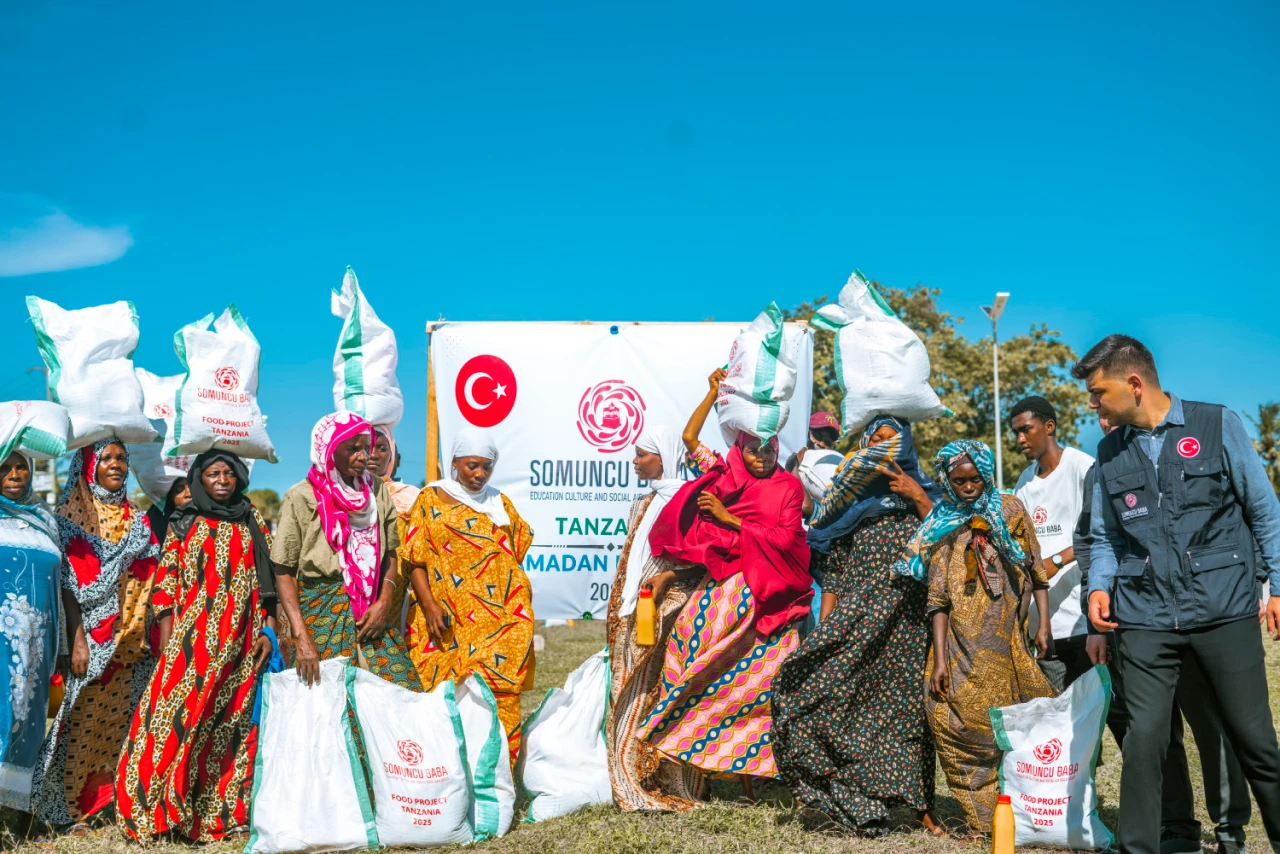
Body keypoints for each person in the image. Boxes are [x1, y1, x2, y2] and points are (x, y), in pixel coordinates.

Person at [1074, 334, 1280, 854]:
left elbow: (1263, 510)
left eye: (1098, 392)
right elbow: (1106, 537)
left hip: (1223, 610)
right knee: (1143, 739)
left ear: (1134, 383)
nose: (1092, 404)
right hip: (1145, 617)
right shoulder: (1108, 451)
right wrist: (1098, 587)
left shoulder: (1217, 424)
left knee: (1254, 739)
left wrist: (1278, 585)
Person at [772, 416, 944, 835]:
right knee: (845, 705)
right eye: (876, 440)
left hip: (908, 626)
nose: (884, 448)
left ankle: (920, 805)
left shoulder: (929, 494)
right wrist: (825, 630)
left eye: (892, 440)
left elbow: (945, 547)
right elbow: (833, 571)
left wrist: (918, 497)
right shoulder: (848, 501)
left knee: (908, 714)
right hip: (857, 623)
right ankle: (857, 799)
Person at [635, 430, 813, 793]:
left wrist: (729, 518)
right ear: (739, 451)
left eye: (768, 449)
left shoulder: (788, 487)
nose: (762, 457)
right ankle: (680, 760)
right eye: (753, 450)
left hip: (767, 599)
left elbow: (786, 539)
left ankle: (753, 781)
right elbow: (690, 437)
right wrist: (715, 396)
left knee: (755, 690)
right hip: (719, 593)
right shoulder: (726, 481)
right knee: (690, 663)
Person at [115, 450, 277, 841]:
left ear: (239, 478)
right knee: (174, 720)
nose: (222, 480)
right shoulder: (185, 520)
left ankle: (219, 816)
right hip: (194, 641)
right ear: (198, 479)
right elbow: (166, 582)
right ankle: (152, 811)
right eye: (213, 474)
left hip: (243, 642)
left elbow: (269, 578)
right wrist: (170, 641)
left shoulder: (251, 518)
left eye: (229, 473)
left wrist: (268, 631)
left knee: (230, 725)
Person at [905, 439, 1054, 836]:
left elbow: (1035, 568)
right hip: (959, 642)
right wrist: (940, 660)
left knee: (1017, 721)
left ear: (987, 475)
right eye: (959, 481)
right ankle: (982, 821)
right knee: (954, 723)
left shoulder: (1011, 510)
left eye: (975, 479)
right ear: (947, 481)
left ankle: (1030, 811)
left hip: (1008, 639)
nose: (968, 488)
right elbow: (938, 598)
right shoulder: (943, 523)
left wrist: (1043, 625)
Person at [33, 439, 161, 827]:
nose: (116, 464)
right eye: (106, 458)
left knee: (117, 726)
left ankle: (107, 804)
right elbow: (69, 587)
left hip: (132, 642)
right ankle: (67, 811)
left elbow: (152, 573)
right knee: (78, 725)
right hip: (91, 640)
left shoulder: (137, 520)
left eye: (122, 458)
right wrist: (77, 641)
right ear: (88, 468)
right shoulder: (69, 516)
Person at [402, 428, 534, 768]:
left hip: (502, 617)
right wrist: (430, 605)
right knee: (443, 691)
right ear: (455, 463)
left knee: (499, 690)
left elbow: (515, 552)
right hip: (447, 616)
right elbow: (414, 559)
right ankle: (445, 770)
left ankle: (497, 773)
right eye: (472, 466)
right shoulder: (430, 498)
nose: (480, 474)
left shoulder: (500, 503)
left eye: (487, 467)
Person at [271, 412, 420, 690]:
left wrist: (385, 602)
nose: (364, 456)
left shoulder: (377, 490)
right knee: (329, 700)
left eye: (367, 447)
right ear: (329, 450)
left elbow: (390, 554)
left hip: (371, 614)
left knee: (401, 692)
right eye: (353, 449)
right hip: (320, 613)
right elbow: (284, 570)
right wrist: (301, 636)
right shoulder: (301, 496)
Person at [605, 426, 707, 812]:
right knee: (630, 692)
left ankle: (673, 781)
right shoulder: (642, 503)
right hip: (635, 610)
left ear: (664, 457)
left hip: (675, 609)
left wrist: (669, 580)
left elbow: (705, 559)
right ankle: (631, 777)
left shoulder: (691, 500)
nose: (634, 461)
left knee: (668, 691)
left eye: (642, 454)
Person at [1010, 395, 1096, 690]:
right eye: (1016, 432)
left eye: (1026, 429)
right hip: (1044, 629)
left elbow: (1101, 534)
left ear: (1049, 426)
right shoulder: (1024, 482)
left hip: (1085, 622)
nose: (1020, 439)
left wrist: (1057, 560)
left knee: (1104, 707)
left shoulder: (1082, 467)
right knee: (1058, 713)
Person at [0, 450, 62, 813]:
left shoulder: (44, 519)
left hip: (37, 645)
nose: (14, 474)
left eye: (21, 466)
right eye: (5, 467)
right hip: (1, 641)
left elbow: (61, 584)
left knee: (28, 719)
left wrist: (66, 647)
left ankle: (14, 811)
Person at [368, 425, 420, 635]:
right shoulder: (338, 495)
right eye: (366, 446)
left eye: (382, 448)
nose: (373, 454)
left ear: (392, 456)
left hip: (397, 592)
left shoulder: (411, 497)